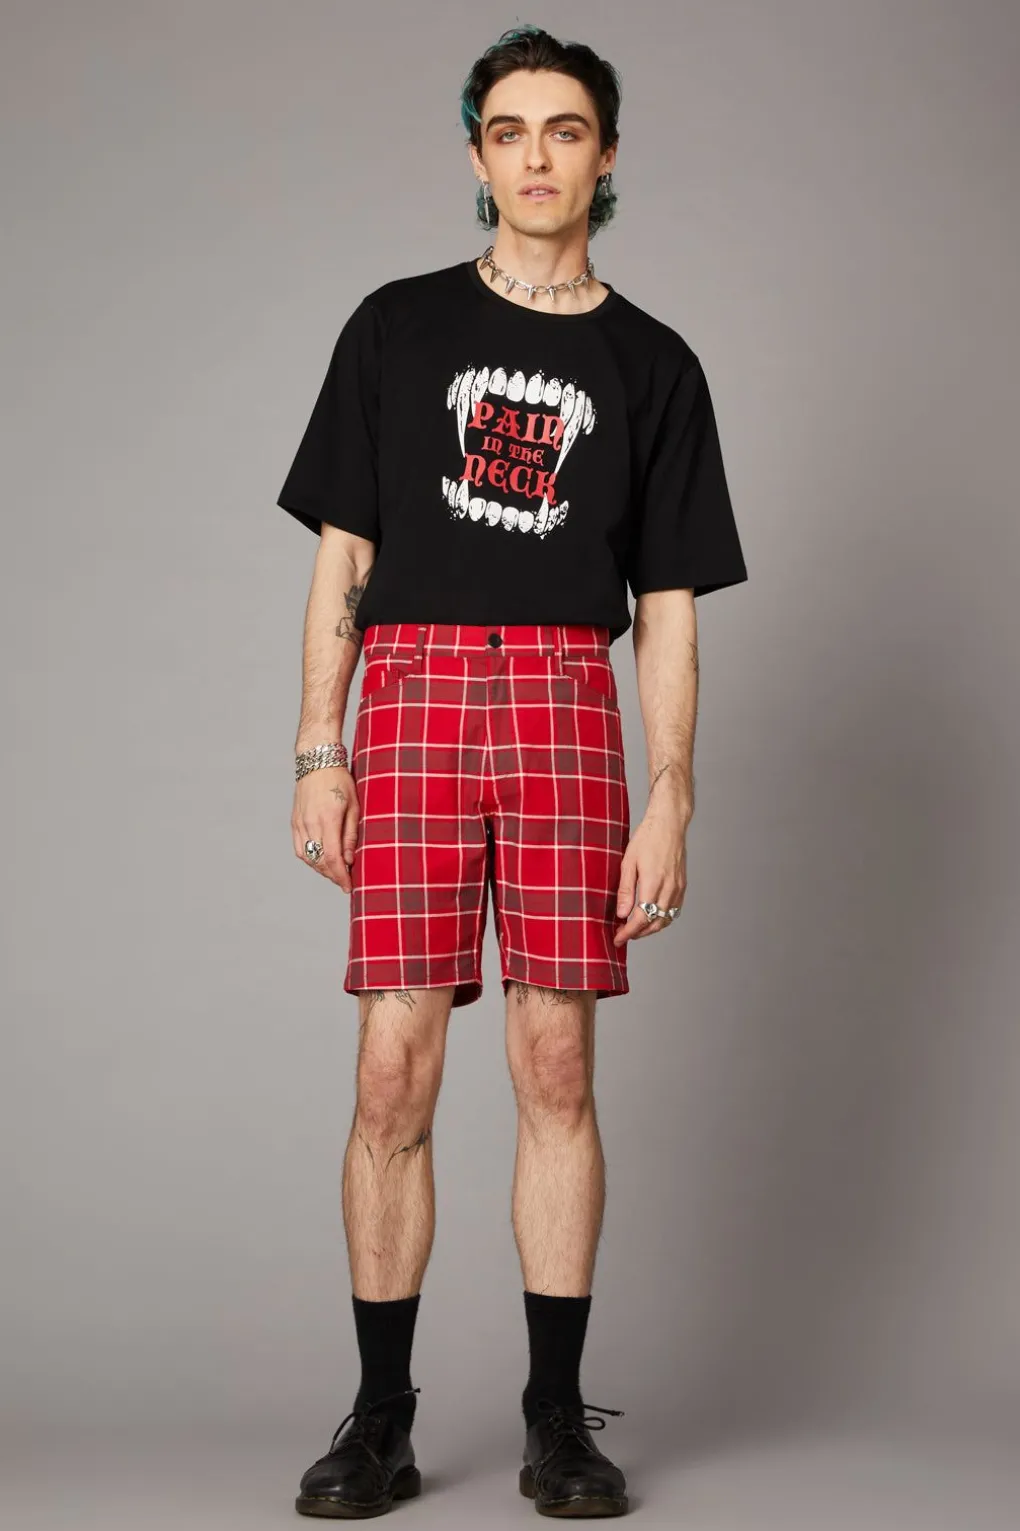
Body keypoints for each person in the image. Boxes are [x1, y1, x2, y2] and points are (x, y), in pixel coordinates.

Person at [275, 23, 747, 1520]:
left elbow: (668, 605)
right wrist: (318, 748)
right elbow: (342, 555)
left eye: (565, 129)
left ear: (607, 157)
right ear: (478, 158)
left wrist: (673, 791)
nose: (536, 156)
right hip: (413, 697)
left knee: (555, 1063)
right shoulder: (395, 327)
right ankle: (381, 1418)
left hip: (562, 701)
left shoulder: (654, 363)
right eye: (508, 131)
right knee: (393, 1065)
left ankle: (556, 1421)